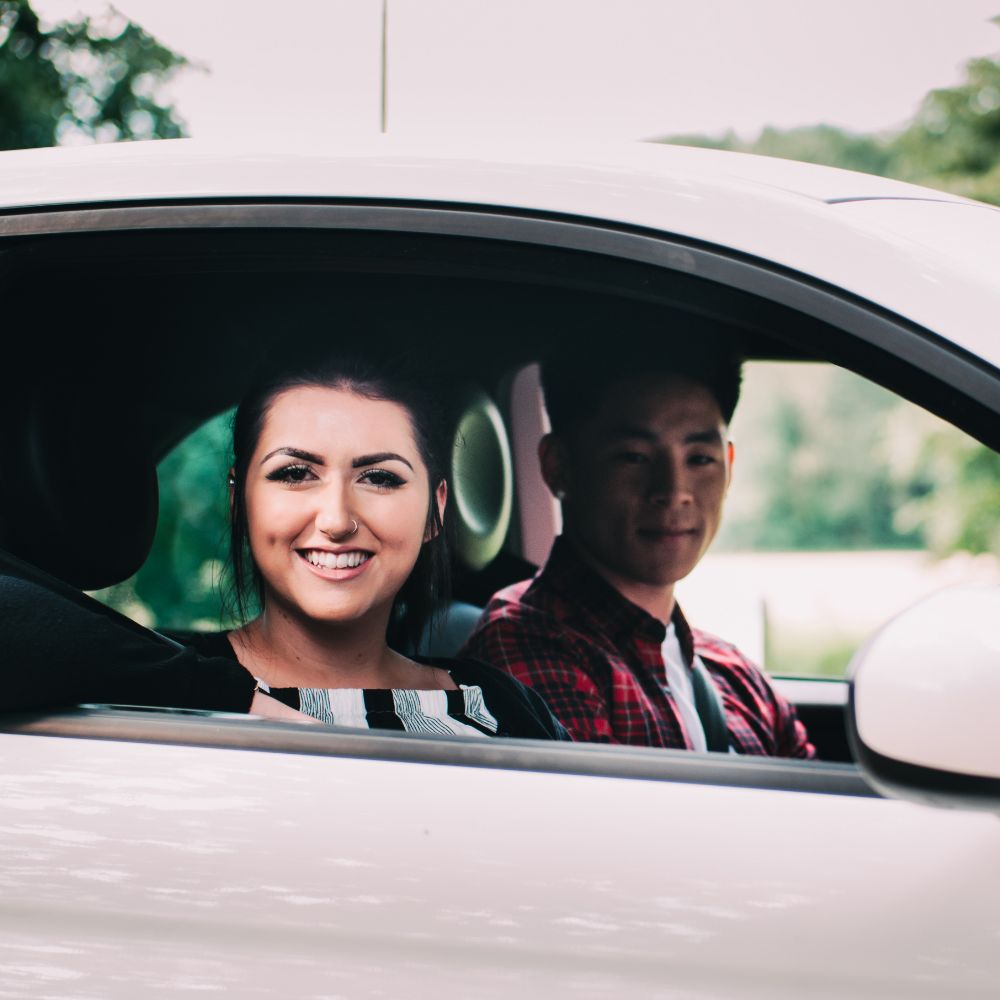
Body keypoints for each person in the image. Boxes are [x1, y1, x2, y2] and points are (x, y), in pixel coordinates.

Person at [1, 357, 567, 741]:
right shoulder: (147, 680)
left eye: (381, 479)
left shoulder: (502, 706)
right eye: (295, 473)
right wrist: (233, 700)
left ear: (434, 513)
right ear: (240, 501)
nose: (337, 519)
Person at [460, 344, 814, 756]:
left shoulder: (734, 673)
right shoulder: (526, 645)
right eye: (634, 457)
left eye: (700, 458)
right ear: (559, 467)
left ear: (729, 465)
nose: (674, 491)